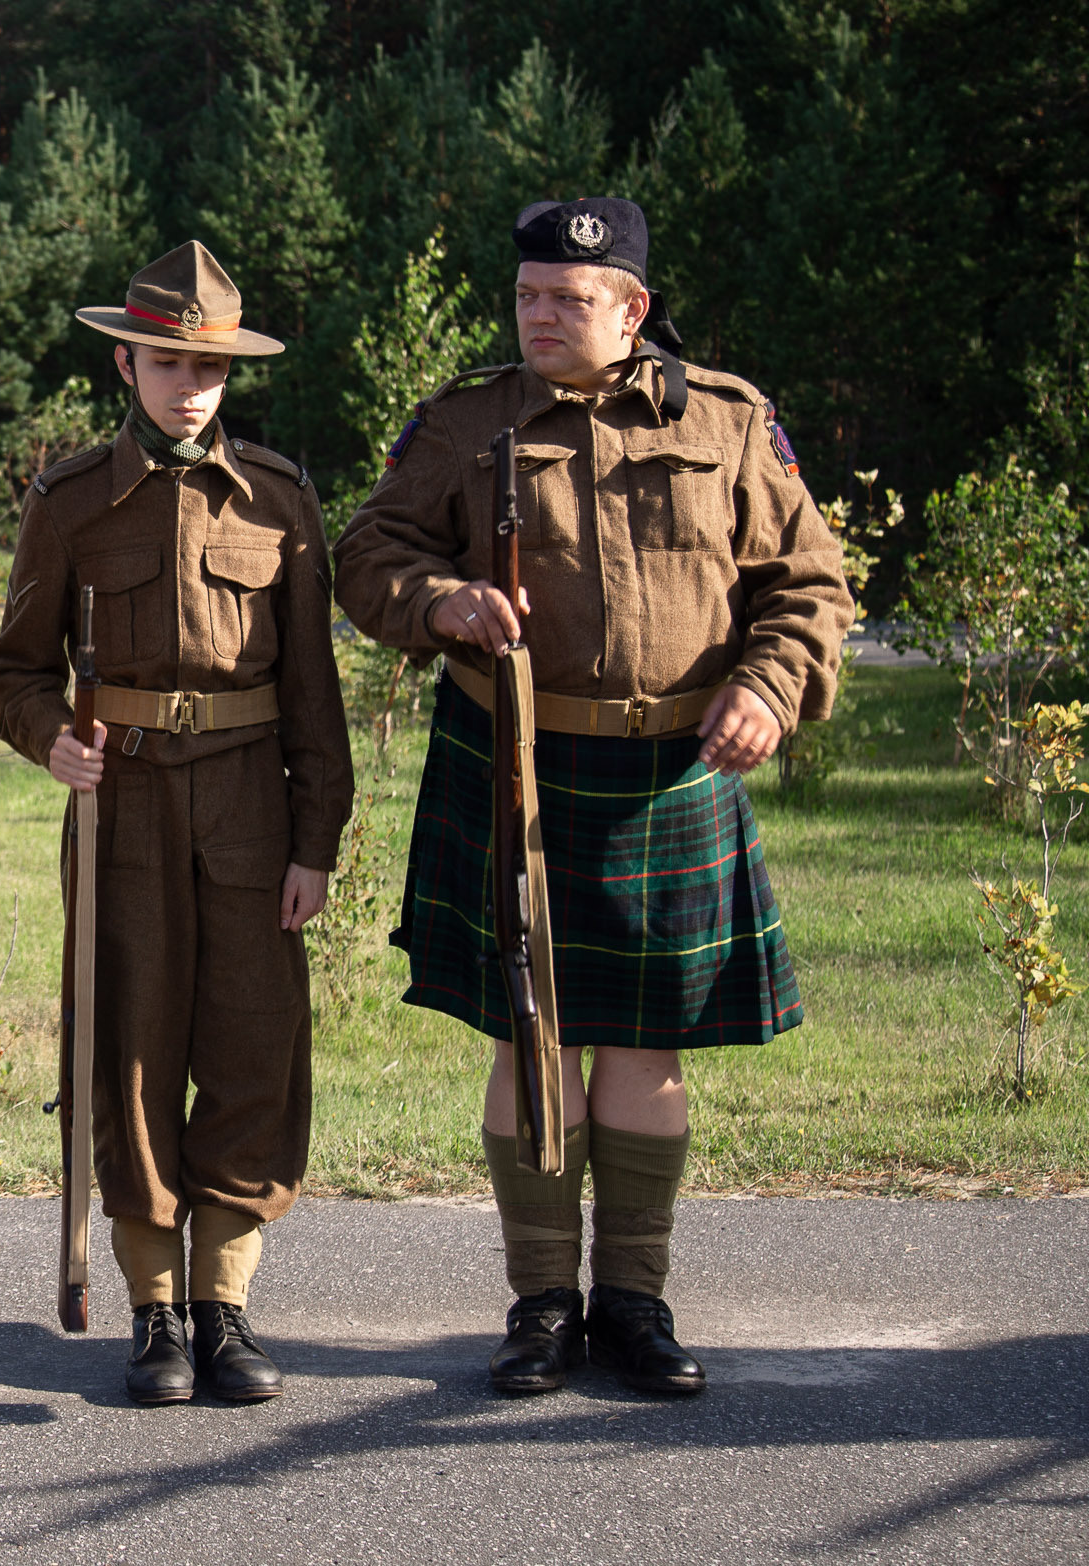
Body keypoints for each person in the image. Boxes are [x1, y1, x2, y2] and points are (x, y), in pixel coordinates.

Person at [334, 198, 852, 1397]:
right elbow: (366, 555)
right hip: (511, 765)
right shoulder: (464, 422)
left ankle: (632, 1299)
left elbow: (808, 585)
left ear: (630, 309)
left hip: (672, 770)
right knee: (531, 1037)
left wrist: (769, 689)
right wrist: (437, 603)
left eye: (566, 300)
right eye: (525, 296)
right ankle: (538, 1306)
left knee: (644, 1047)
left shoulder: (726, 422)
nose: (538, 316)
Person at [0, 242, 354, 1405]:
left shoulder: (282, 501)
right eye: (165, 362)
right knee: (130, 1049)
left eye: (209, 367)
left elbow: (312, 696)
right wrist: (50, 736)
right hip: (124, 806)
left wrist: (313, 841)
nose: (189, 386)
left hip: (248, 807)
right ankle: (152, 1307)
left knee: (251, 1048)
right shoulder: (70, 501)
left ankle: (224, 1299)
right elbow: (14, 669)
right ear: (124, 362)